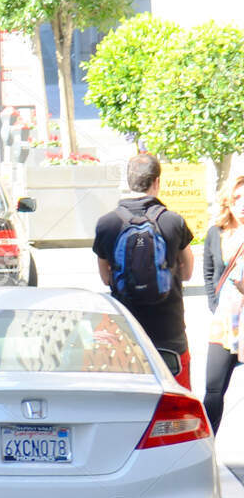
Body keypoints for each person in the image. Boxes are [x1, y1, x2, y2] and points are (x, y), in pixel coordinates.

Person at [93, 152, 196, 389]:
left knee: (131, 402)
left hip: (126, 331)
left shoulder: (107, 224)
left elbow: (105, 277)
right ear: (157, 182)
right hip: (169, 333)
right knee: (176, 403)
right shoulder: (174, 221)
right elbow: (188, 272)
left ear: (129, 182)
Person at [201, 174, 244, 429]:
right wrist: (214, 303)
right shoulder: (216, 233)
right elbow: (208, 271)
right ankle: (206, 445)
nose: (242, 204)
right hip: (225, 321)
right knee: (213, 388)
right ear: (228, 201)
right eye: (237, 198)